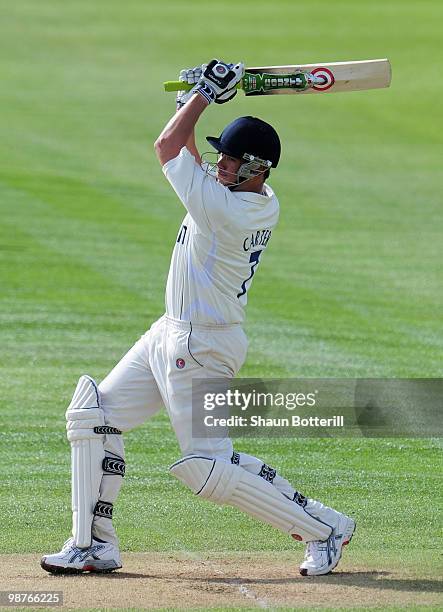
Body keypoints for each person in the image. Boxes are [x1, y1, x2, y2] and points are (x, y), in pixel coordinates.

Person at [41, 59, 355, 577]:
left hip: (204, 344)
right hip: (170, 332)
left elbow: (167, 149)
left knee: (207, 468)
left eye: (230, 160)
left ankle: (325, 529)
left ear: (258, 168)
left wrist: (206, 94)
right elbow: (184, 152)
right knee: (93, 417)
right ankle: (92, 544)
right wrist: (190, 101)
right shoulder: (244, 197)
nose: (219, 165)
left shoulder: (227, 210)